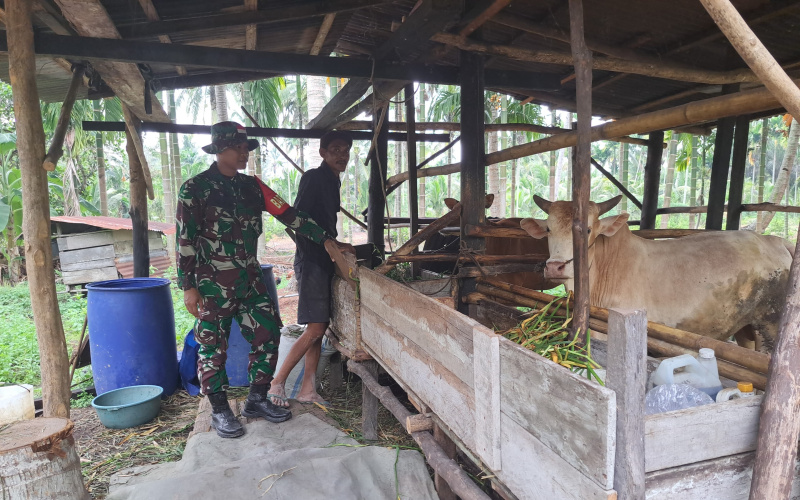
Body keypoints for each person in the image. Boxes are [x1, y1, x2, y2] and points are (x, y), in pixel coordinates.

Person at [176, 121, 350, 438]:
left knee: (268, 334)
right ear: (219, 150)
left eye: (246, 148)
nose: (244, 153)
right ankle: (219, 409)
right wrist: (188, 287)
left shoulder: (254, 187)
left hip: (250, 277)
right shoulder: (195, 189)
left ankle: (256, 399)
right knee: (213, 347)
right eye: (238, 147)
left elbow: (291, 215)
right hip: (211, 282)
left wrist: (325, 239)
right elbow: (185, 240)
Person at [268, 130, 354, 407]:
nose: (342, 155)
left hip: (323, 258)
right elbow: (297, 218)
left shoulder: (333, 181)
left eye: (346, 150)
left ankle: (308, 388)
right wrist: (325, 243)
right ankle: (277, 381)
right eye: (336, 149)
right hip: (313, 261)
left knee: (320, 326)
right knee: (316, 328)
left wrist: (336, 243)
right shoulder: (314, 177)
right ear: (323, 153)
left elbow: (323, 225)